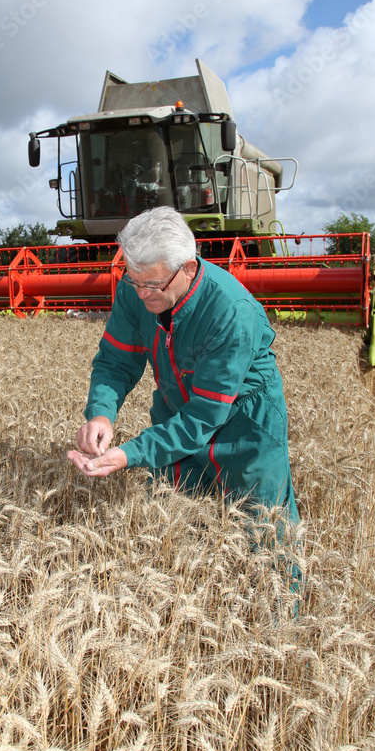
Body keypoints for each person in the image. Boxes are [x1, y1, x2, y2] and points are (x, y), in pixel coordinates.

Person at [67, 206, 299, 524]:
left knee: (262, 530)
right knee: (175, 523)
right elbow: (116, 361)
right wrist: (101, 414)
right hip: (174, 408)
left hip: (244, 425)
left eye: (153, 285)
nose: (141, 293)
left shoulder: (230, 311)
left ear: (188, 268)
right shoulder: (133, 290)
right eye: (134, 280)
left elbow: (203, 416)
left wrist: (129, 454)